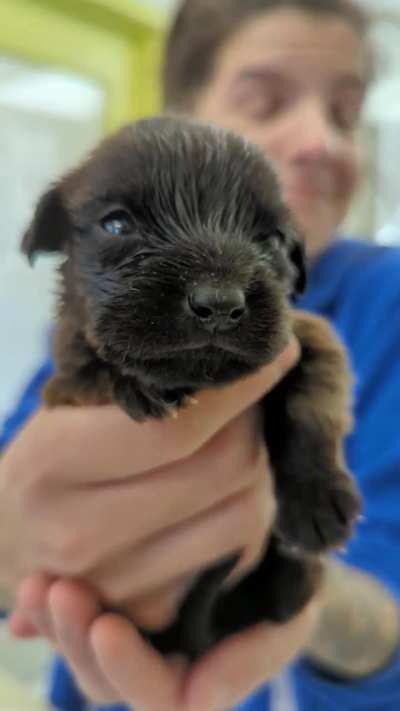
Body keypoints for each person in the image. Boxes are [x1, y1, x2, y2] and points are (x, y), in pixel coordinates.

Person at [1, 0, 400, 709]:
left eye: (346, 112)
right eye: (263, 99)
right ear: (180, 108)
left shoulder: (384, 301)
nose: (318, 140)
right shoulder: (83, 322)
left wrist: (290, 567)